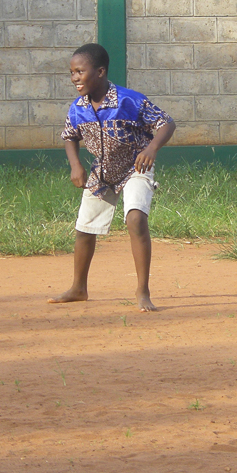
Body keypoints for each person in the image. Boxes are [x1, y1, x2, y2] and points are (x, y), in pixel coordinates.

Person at [48, 43, 176, 312]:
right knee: (85, 229)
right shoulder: (78, 108)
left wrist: (152, 148)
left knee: (136, 218)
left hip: (135, 168)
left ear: (100, 72)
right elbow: (70, 137)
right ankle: (78, 288)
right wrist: (75, 166)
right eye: (71, 73)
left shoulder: (129, 100)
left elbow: (166, 122)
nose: (74, 78)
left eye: (80, 72)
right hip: (102, 172)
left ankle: (142, 291)